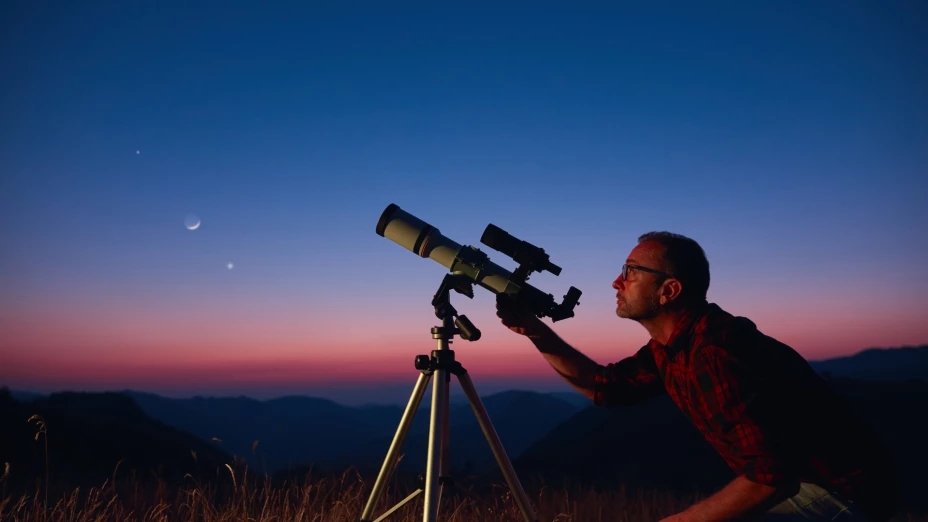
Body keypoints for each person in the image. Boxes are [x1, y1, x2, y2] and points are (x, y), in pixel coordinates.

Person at [496, 231, 897, 522]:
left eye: (631, 271)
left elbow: (772, 477)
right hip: (800, 482)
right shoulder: (672, 346)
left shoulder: (715, 352)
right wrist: (535, 329)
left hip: (839, 494)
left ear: (669, 291)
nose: (617, 282)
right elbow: (606, 388)